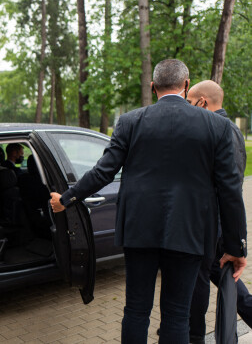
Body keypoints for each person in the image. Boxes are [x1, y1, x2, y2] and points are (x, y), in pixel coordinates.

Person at [49, 59, 247, 343]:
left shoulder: (130, 121)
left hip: (138, 231)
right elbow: (230, 189)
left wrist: (66, 199)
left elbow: (104, 170)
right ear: (186, 85)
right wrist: (236, 246)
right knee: (178, 313)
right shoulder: (216, 125)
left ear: (152, 87)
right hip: (189, 232)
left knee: (136, 309)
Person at [187, 80, 250, 343]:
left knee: (216, 284)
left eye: (190, 103)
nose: (187, 109)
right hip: (213, 227)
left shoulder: (226, 132)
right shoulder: (216, 130)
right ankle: (190, 332)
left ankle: (193, 335)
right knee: (226, 284)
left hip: (217, 229)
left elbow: (231, 190)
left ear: (203, 101)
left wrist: (236, 245)